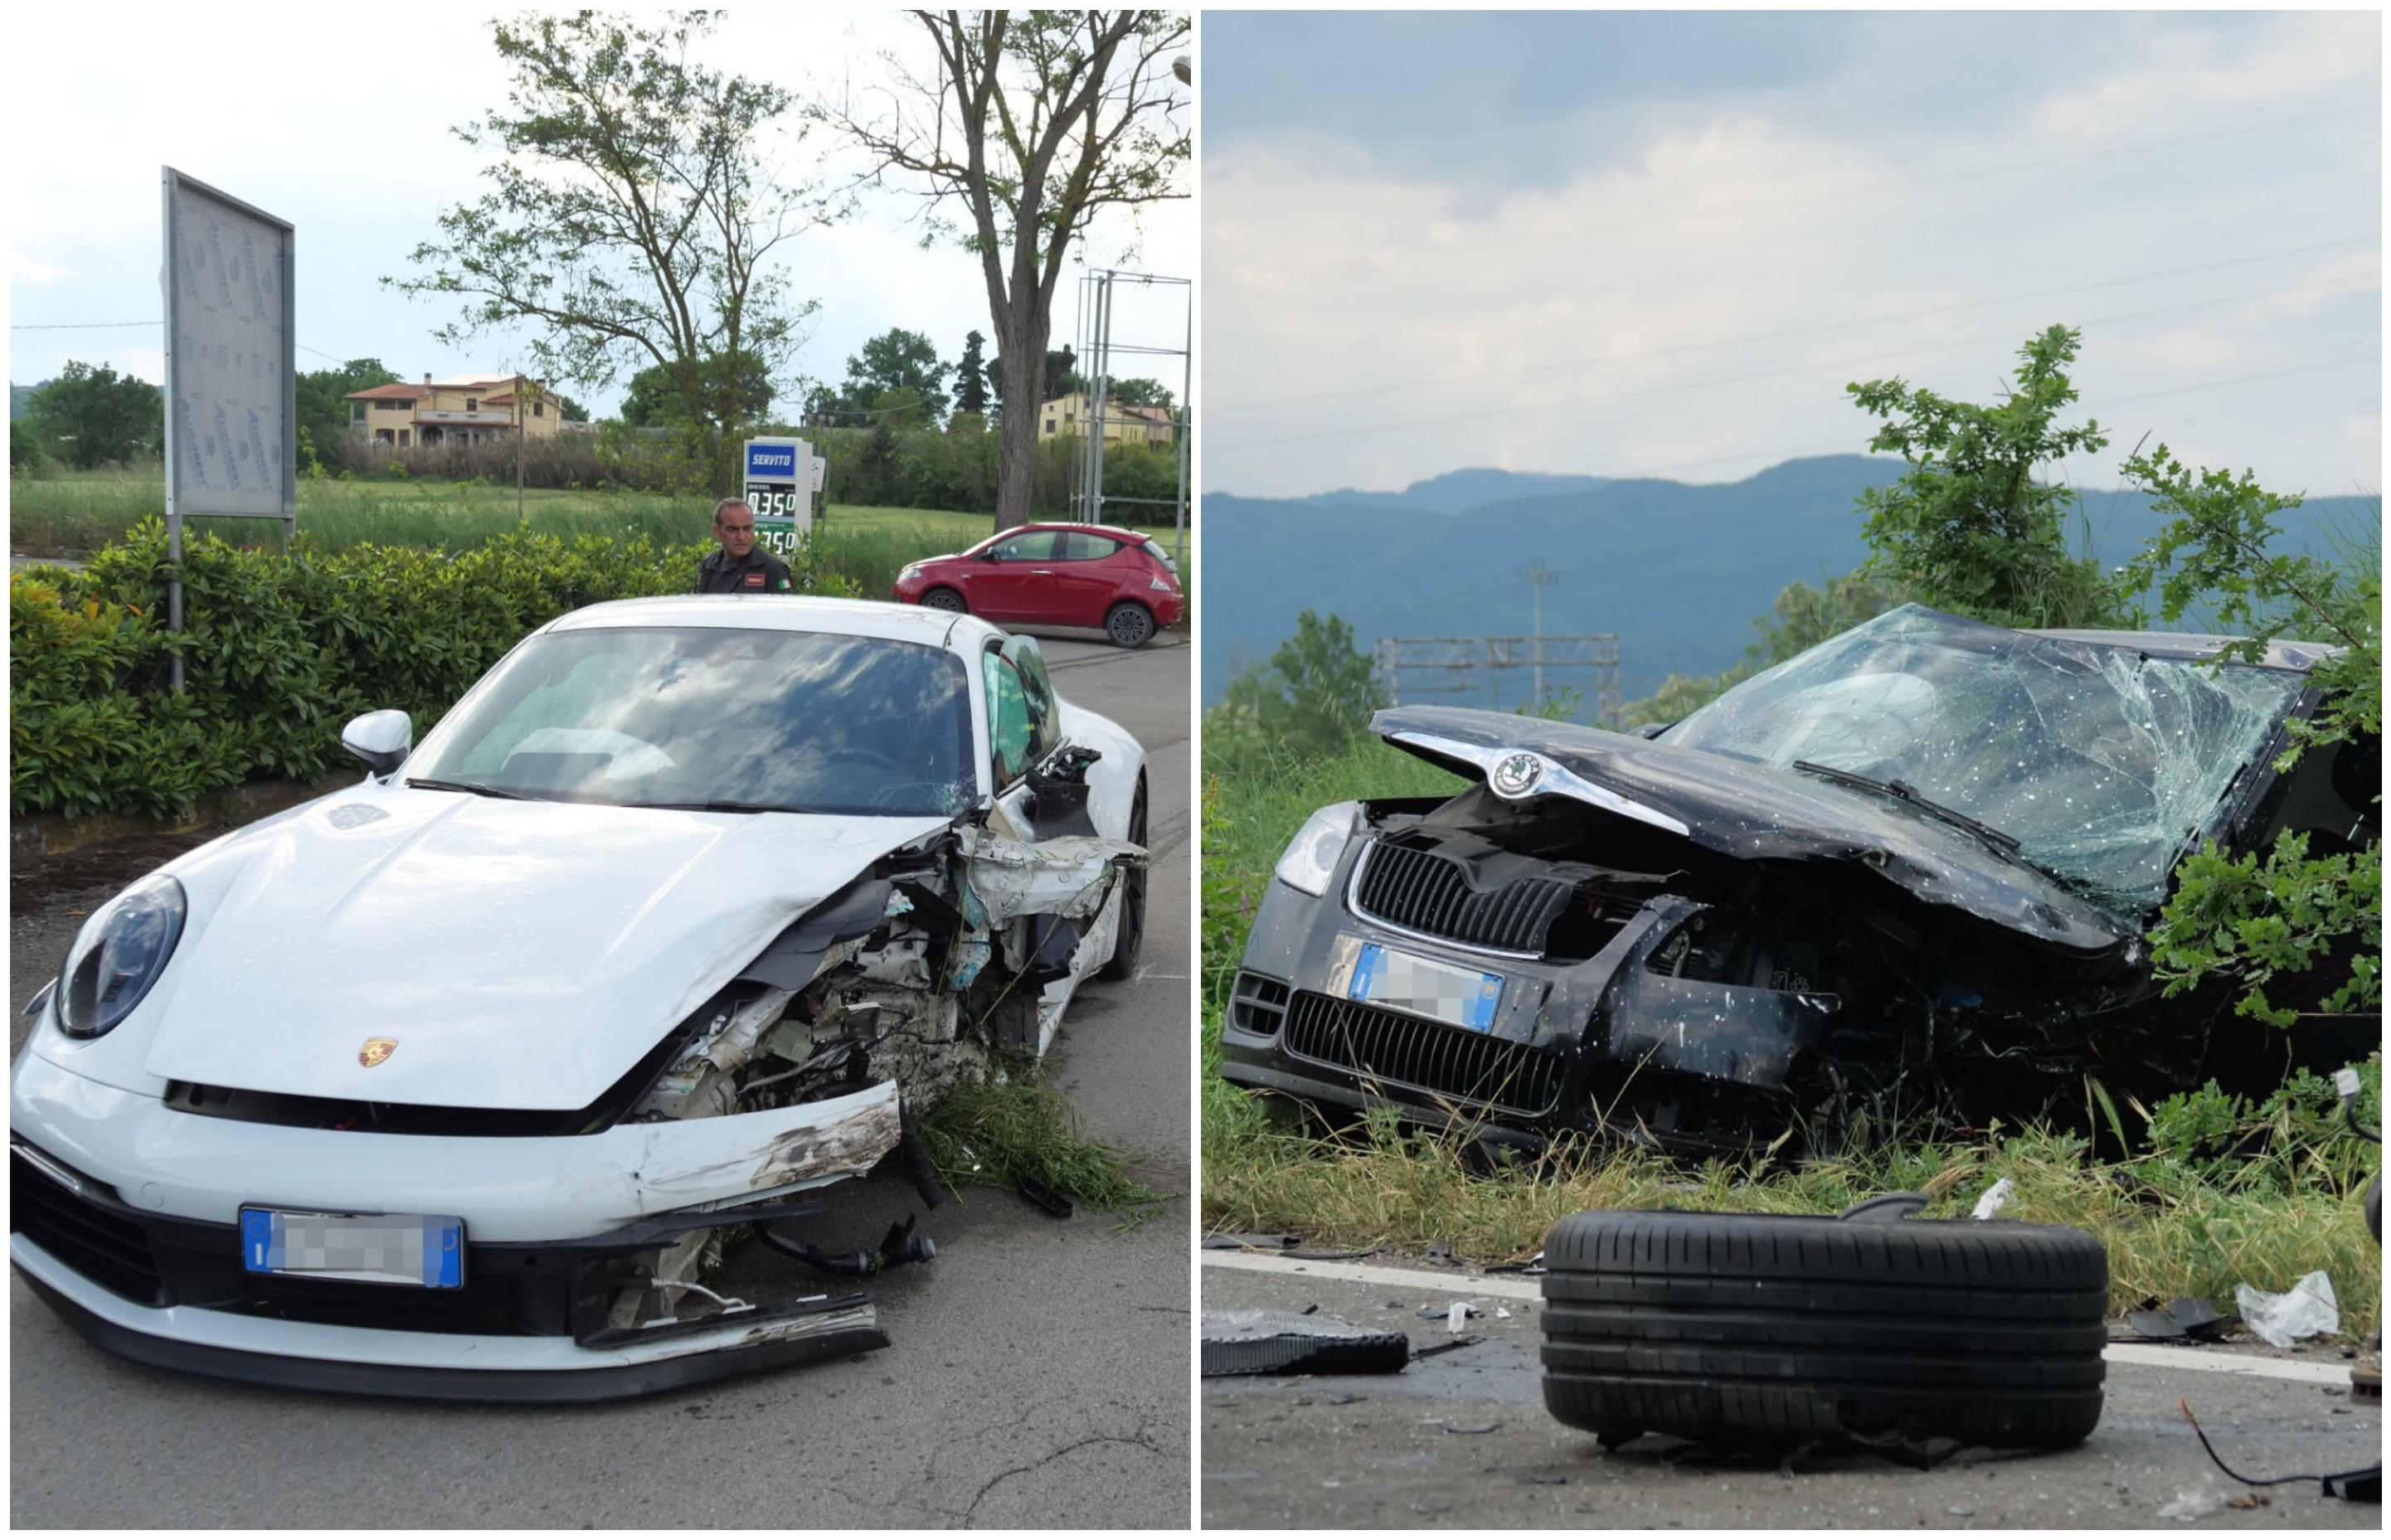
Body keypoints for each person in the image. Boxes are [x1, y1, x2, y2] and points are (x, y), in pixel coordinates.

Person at [695, 497, 795, 593]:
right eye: (732, 529)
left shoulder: (772, 570)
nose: (741, 537)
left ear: (754, 528)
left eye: (747, 529)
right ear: (717, 531)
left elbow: (786, 609)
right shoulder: (708, 567)